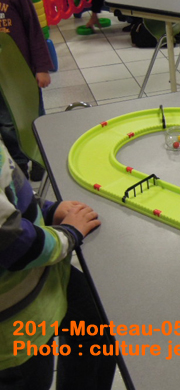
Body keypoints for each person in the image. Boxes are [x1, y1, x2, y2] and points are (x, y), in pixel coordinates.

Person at [0, 140, 116, 389]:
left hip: (45, 280)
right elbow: (16, 246)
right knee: (32, 379)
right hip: (15, 325)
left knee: (98, 324)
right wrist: (69, 233)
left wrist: (47, 210)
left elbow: (10, 194)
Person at [0, 0, 53, 180]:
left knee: (34, 116)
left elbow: (34, 30)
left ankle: (40, 156)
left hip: (23, 73)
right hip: (1, 78)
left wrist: (42, 67)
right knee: (6, 123)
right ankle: (19, 161)